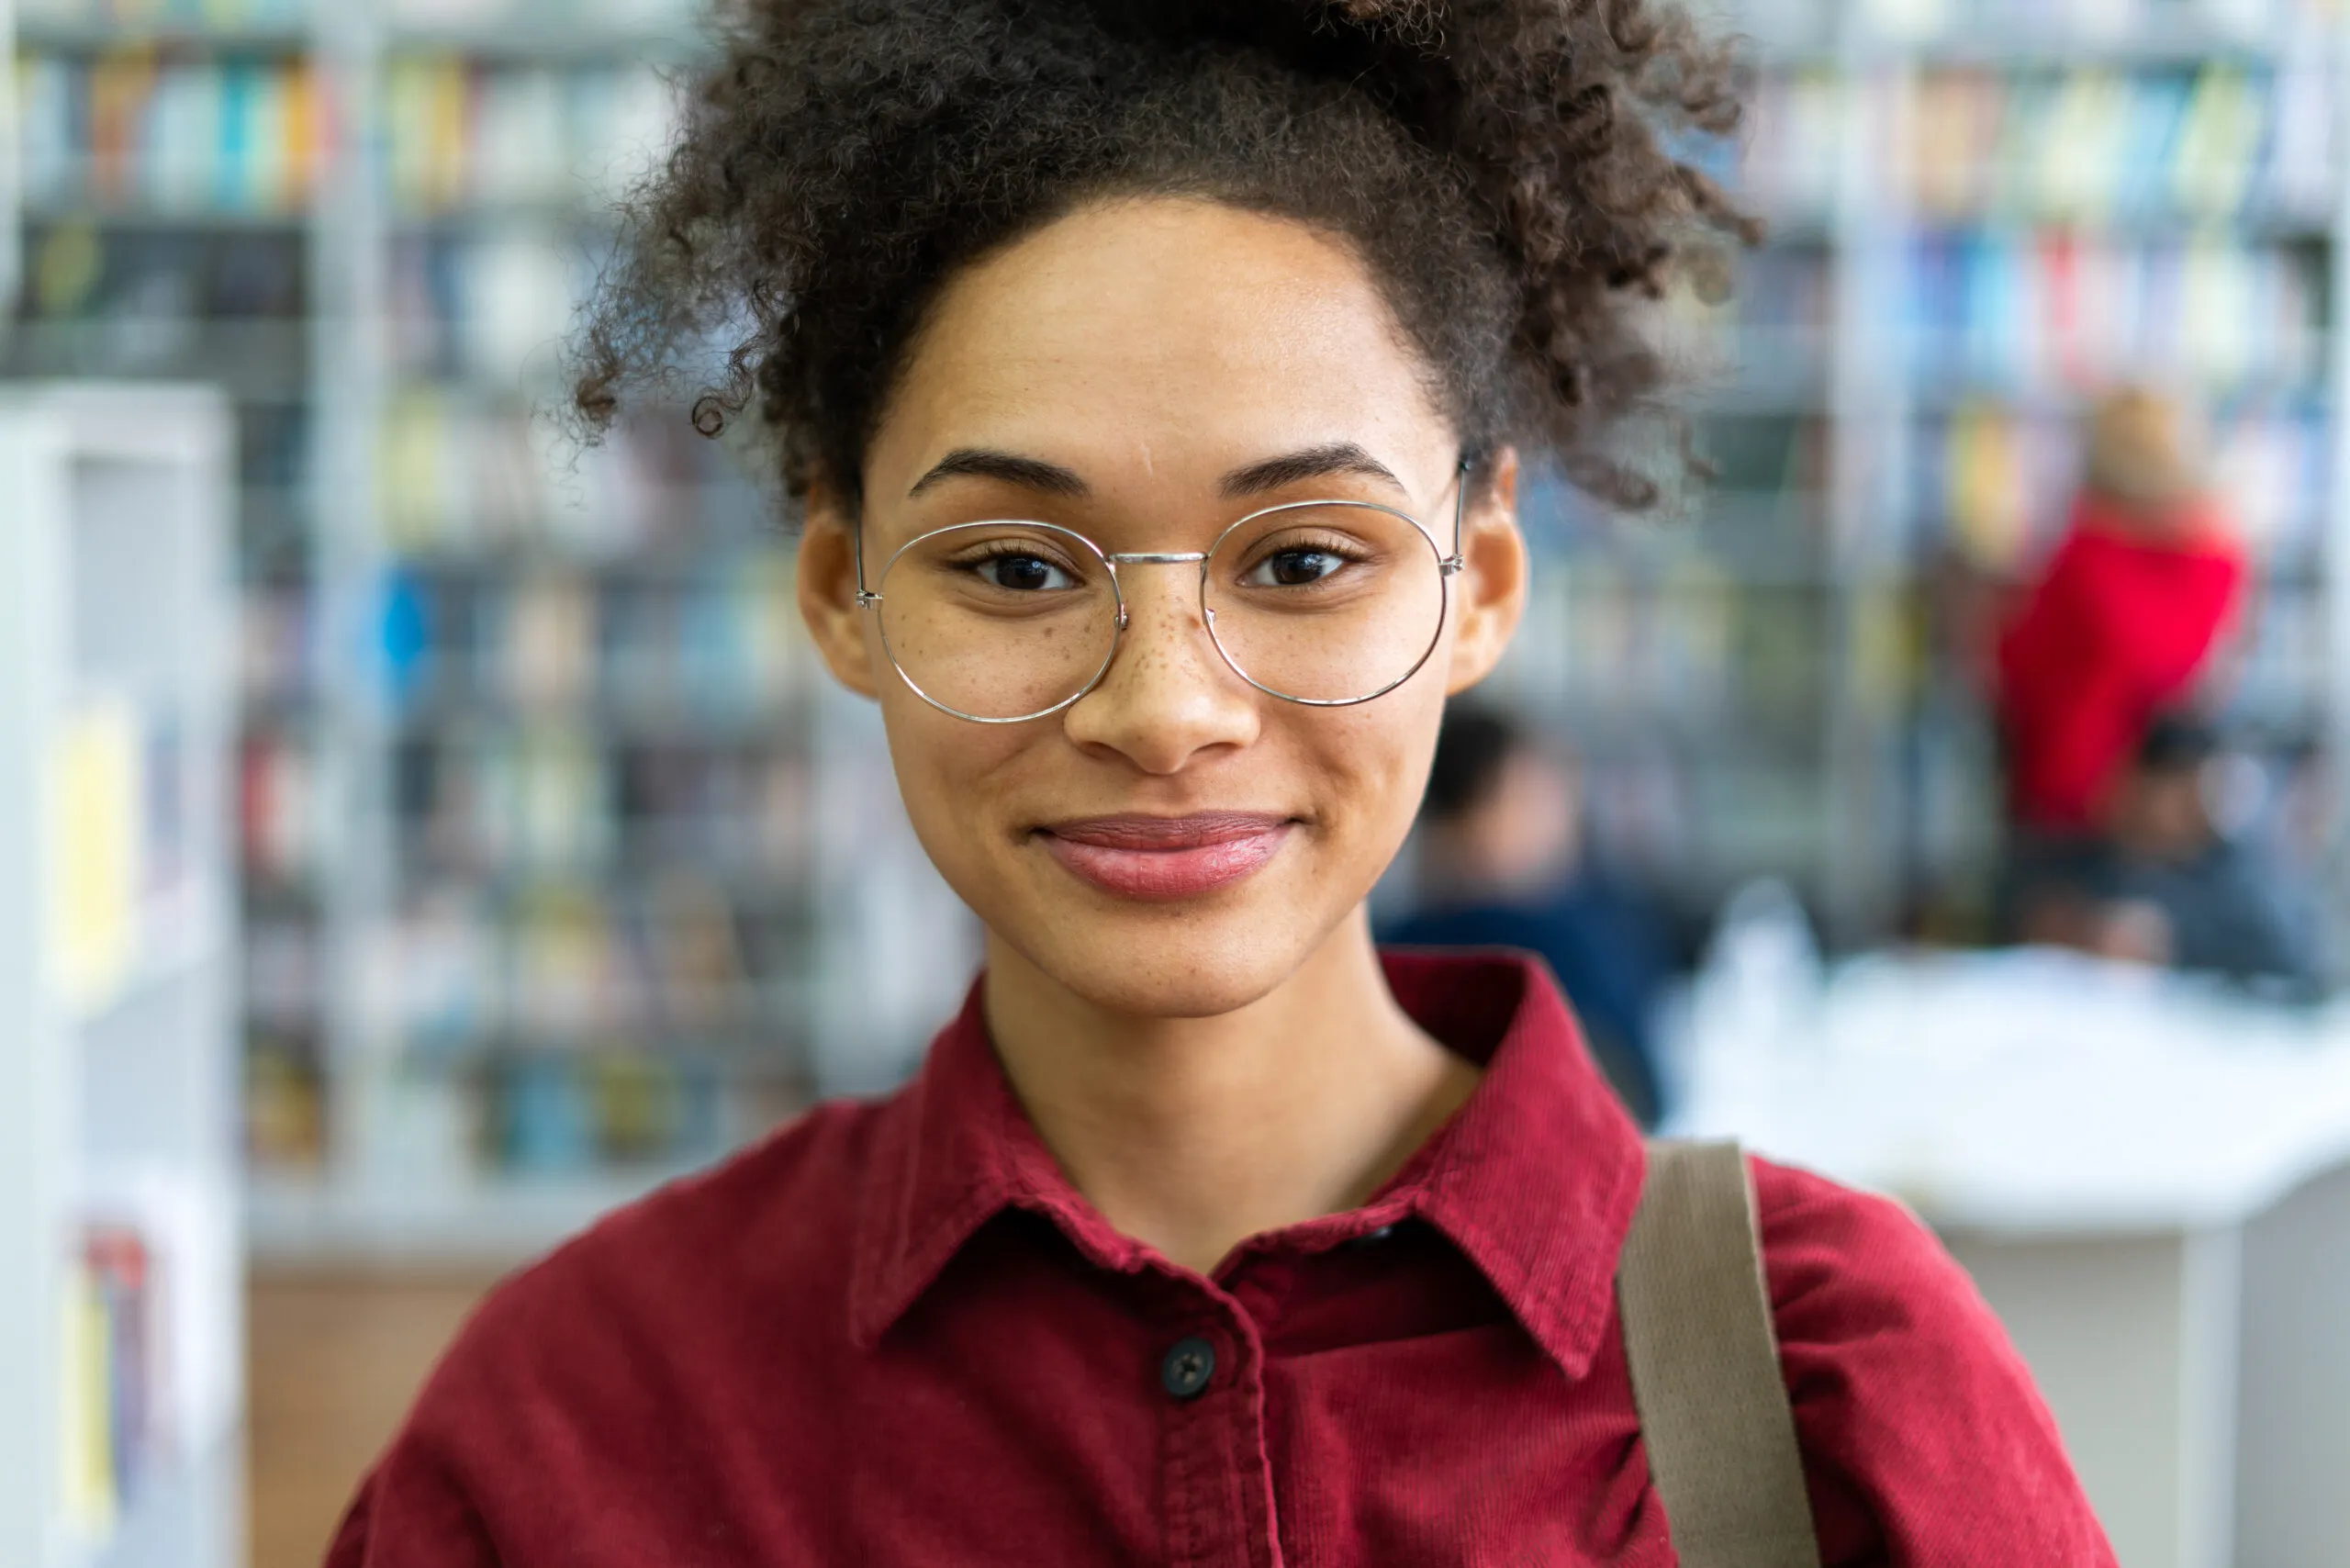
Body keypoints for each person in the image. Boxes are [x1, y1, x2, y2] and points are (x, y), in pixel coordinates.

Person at [329, 3, 2113, 1562]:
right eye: (1019, 569)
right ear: (837, 593)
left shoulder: (1828, 1384)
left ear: (1477, 583)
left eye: (1303, 559)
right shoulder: (573, 1428)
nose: (1163, 708)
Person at [1384, 705, 1673, 1126]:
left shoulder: (1383, 945)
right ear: (1469, 817)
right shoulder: (1559, 944)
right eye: (1536, 799)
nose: (1563, 822)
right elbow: (1642, 1099)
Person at [1995, 387, 2248, 835]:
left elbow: (2020, 660)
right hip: (2093, 803)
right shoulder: (2205, 557)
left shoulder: (2093, 556)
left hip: (2115, 796)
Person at [2011, 714, 2320, 995]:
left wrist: (2172, 938)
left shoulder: (2228, 867)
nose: (2186, 811)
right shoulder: (2083, 851)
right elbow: (2026, 907)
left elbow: (2290, 952)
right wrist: (2076, 931)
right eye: (2174, 791)